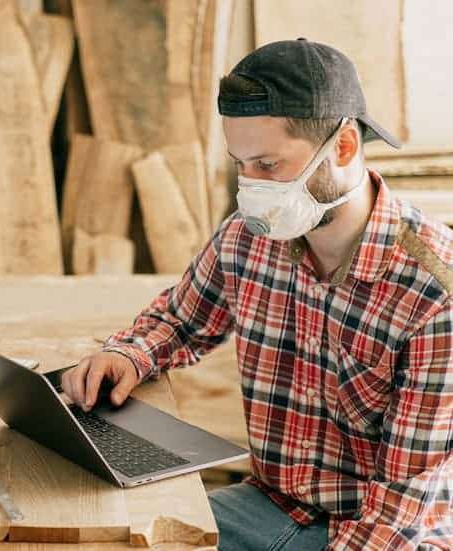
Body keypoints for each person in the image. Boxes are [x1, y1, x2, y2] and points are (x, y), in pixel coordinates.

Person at [61, 39, 453, 550]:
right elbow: (181, 322)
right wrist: (128, 355)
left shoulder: (434, 293)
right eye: (239, 164)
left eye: (267, 165)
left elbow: (401, 503)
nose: (250, 187)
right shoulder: (249, 238)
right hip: (270, 502)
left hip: (388, 531)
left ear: (344, 147)